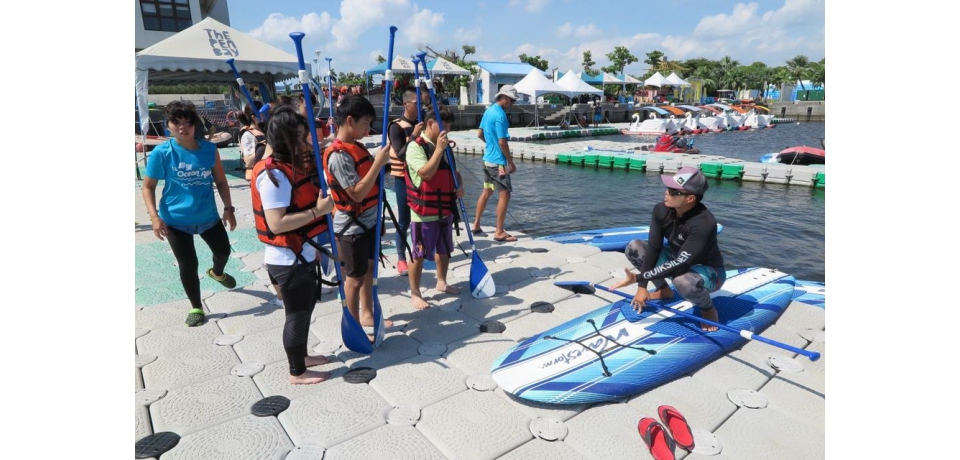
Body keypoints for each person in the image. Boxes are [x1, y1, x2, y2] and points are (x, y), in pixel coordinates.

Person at [251, 106, 335, 385]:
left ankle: (303, 356)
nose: (303, 143)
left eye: (303, 136)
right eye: (298, 137)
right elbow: (276, 223)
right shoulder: (273, 176)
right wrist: (318, 211)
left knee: (305, 310)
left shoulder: (288, 168)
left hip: (300, 253)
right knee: (297, 315)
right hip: (288, 260)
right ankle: (297, 371)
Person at [141, 101, 238, 327]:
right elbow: (148, 186)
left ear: (195, 125)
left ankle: (217, 272)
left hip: (208, 216)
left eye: (188, 123)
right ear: (168, 125)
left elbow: (221, 181)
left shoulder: (209, 149)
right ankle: (196, 306)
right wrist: (155, 217)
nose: (183, 128)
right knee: (188, 264)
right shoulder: (162, 153)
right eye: (177, 123)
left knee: (223, 251)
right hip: (175, 220)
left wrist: (228, 209)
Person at [609, 167, 726, 331]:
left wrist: (638, 278)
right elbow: (654, 248)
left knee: (682, 280)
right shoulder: (661, 209)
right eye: (668, 187)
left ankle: (708, 308)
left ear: (690, 198)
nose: (666, 193)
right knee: (634, 247)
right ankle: (664, 290)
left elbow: (681, 264)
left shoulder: (704, 222)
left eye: (673, 191)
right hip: (677, 260)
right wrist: (642, 286)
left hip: (709, 272)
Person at [321, 94, 394, 341]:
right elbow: (356, 194)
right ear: (350, 121)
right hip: (352, 227)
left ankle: (367, 314)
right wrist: (378, 163)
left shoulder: (358, 146)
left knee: (369, 270)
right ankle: (353, 326)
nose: (368, 129)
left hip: (370, 221)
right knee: (353, 279)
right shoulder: (338, 155)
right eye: (365, 123)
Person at [403, 105, 464, 310]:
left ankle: (442, 281)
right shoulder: (415, 147)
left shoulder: (446, 146)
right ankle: (415, 292)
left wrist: (459, 186)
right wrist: (438, 149)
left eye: (449, 126)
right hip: (423, 213)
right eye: (444, 125)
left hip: (444, 208)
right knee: (418, 254)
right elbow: (426, 174)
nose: (448, 130)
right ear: (430, 123)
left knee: (444, 249)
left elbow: (455, 173)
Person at [471, 84, 519, 242]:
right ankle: (499, 231)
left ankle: (476, 225)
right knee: (505, 194)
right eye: (511, 100)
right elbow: (503, 142)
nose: (512, 103)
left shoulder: (488, 111)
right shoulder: (501, 116)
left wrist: (490, 145)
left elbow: (479, 134)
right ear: (503, 97)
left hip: (487, 160)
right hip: (498, 163)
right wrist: (511, 163)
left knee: (487, 191)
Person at [386, 89, 425, 277]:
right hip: (402, 179)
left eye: (421, 104)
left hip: (419, 178)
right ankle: (401, 258)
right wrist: (414, 136)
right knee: (404, 220)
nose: (420, 107)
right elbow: (401, 154)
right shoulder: (396, 127)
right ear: (406, 104)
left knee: (420, 218)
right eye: (416, 103)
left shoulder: (421, 123)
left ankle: (418, 251)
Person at [238, 112, 266, 182]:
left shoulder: (266, 131)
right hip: (257, 175)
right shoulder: (248, 135)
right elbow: (249, 161)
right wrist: (266, 148)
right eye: (263, 114)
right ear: (254, 117)